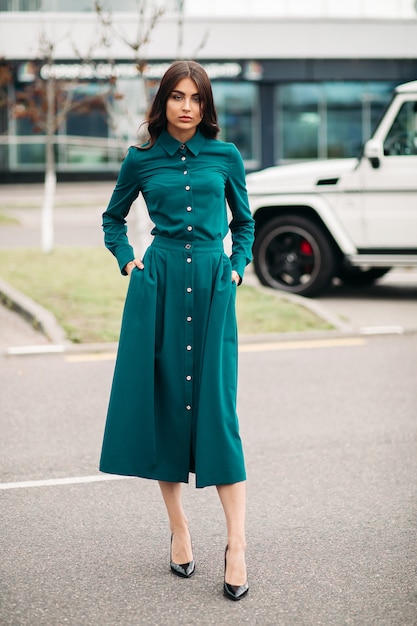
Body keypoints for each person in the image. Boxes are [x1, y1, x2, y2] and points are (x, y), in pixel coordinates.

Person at [99, 60, 254, 601]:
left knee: (218, 411)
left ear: (206, 105)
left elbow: (245, 222)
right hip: (160, 287)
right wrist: (127, 261)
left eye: (196, 97)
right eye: (177, 96)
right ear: (163, 102)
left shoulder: (226, 157)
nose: (187, 106)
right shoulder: (141, 161)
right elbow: (112, 219)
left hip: (213, 287)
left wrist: (237, 266)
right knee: (167, 409)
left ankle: (237, 543)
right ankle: (180, 529)